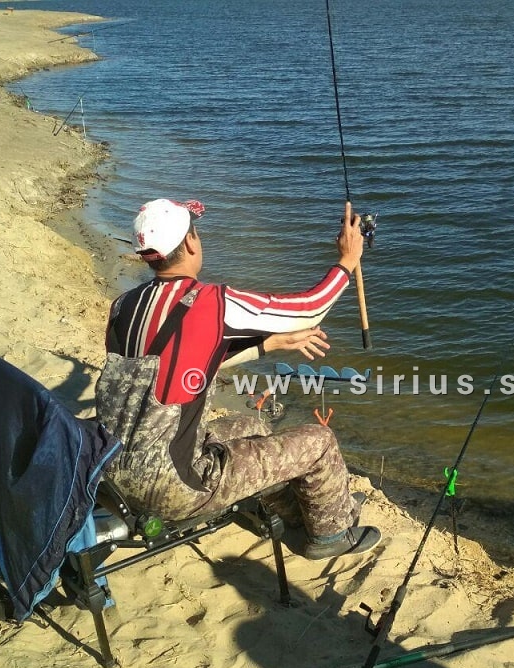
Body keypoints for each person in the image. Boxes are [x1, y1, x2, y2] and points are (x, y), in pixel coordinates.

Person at [95, 198, 380, 560]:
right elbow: (310, 309)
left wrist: (270, 344)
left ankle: (297, 511)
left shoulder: (122, 305)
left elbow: (180, 368)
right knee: (320, 440)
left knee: (252, 426)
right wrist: (347, 260)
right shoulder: (210, 301)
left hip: (113, 474)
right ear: (191, 243)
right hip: (174, 487)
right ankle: (331, 534)